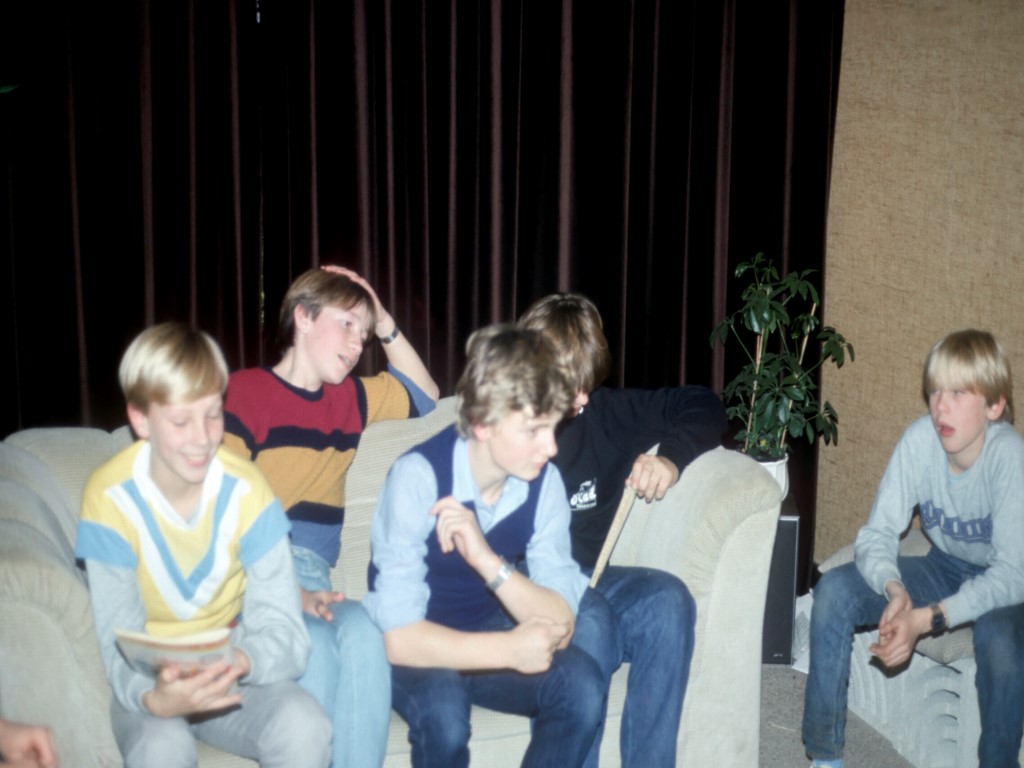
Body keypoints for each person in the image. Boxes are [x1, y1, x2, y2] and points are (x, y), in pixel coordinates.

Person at [75, 323, 331, 768]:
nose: (203, 438)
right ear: (140, 419)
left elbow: (285, 632)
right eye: (181, 421)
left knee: (303, 724)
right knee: (162, 747)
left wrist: (241, 659)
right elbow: (115, 636)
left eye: (213, 414)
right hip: (149, 683)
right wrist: (152, 697)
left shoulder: (248, 492)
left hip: (231, 674)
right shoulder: (109, 498)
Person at [363, 325, 612, 768]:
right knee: (445, 715)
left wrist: (486, 560)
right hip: (416, 647)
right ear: (482, 423)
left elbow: (561, 623)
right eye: (534, 430)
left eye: (553, 426)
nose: (550, 447)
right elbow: (398, 639)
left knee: (582, 687)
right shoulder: (417, 478)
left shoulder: (544, 485)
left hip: (483, 627)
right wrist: (509, 651)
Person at [223, 266, 439, 767]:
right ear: (303, 316)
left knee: (366, 630)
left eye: (364, 334)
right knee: (317, 641)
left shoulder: (351, 399)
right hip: (252, 577)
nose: (358, 343)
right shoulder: (242, 393)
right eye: (346, 324)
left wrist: (383, 320)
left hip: (315, 578)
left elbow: (427, 396)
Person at [518, 293, 727, 767]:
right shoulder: (498, 431)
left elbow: (703, 404)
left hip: (590, 580)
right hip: (519, 593)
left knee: (668, 601)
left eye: (587, 383)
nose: (583, 398)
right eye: (570, 386)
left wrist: (670, 459)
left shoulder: (603, 414)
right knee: (589, 621)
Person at [802, 329, 1024, 768]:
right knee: (833, 592)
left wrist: (926, 619)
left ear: (994, 406)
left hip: (1010, 585)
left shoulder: (1009, 458)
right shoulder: (920, 441)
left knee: (997, 637)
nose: (940, 406)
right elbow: (877, 534)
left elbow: (1011, 576)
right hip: (945, 566)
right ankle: (825, 758)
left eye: (958, 392)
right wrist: (894, 588)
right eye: (935, 390)